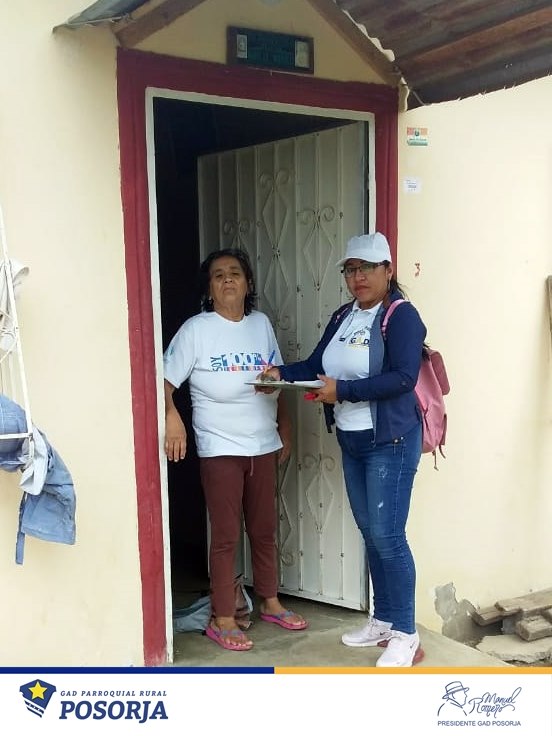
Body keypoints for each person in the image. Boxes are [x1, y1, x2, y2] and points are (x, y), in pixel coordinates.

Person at [258, 232, 426, 666]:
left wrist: (343, 391)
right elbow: (317, 365)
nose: (358, 277)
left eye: (367, 268)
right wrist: (281, 373)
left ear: (388, 270)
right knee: (371, 533)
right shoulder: (343, 316)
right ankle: (383, 620)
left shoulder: (402, 317)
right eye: (350, 270)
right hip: (352, 440)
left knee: (389, 536)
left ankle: (406, 633)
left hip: (390, 440)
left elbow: (403, 378)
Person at [163, 247, 307, 652]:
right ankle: (223, 618)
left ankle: (271, 602)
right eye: (218, 275)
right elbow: (164, 383)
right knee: (225, 535)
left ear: (248, 283)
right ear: (209, 288)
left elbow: (276, 379)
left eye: (235, 273)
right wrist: (173, 418)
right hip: (221, 445)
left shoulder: (260, 325)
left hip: (261, 443)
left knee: (264, 529)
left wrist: (284, 425)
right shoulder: (196, 330)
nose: (227, 280)